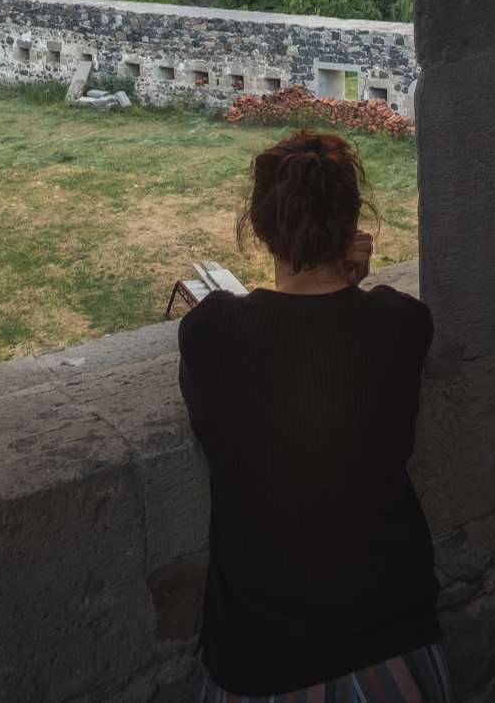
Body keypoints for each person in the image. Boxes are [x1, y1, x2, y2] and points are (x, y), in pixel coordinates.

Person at [177, 129, 447, 703]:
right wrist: (348, 278)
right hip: (395, 649)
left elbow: (270, 331)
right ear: (353, 223)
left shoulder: (210, 334)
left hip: (262, 660)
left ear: (260, 226)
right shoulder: (403, 325)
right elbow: (345, 328)